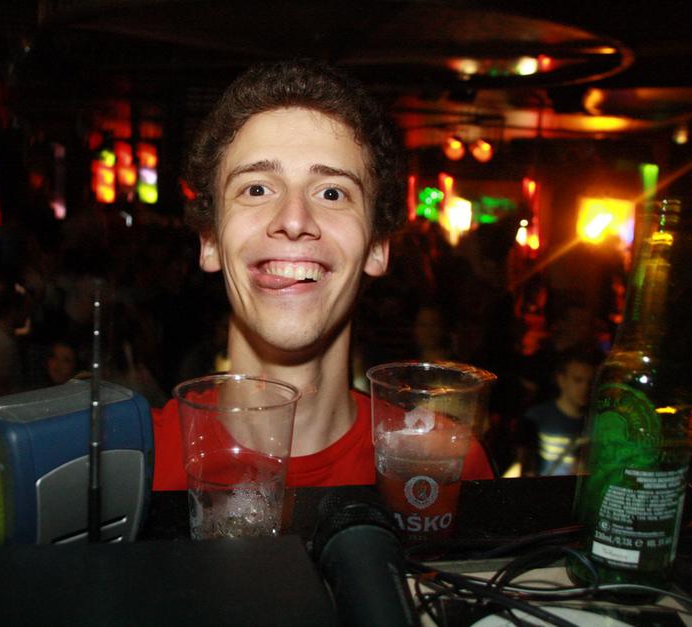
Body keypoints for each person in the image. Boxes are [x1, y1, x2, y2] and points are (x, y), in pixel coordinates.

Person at [151, 59, 494, 489]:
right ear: (210, 241)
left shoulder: (441, 467)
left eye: (332, 193)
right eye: (256, 189)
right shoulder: (127, 462)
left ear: (377, 247)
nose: (294, 220)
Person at [520, 346, 599, 476]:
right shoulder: (537, 418)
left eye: (591, 382)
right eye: (578, 380)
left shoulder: (600, 421)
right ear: (561, 379)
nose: (585, 387)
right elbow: (526, 466)